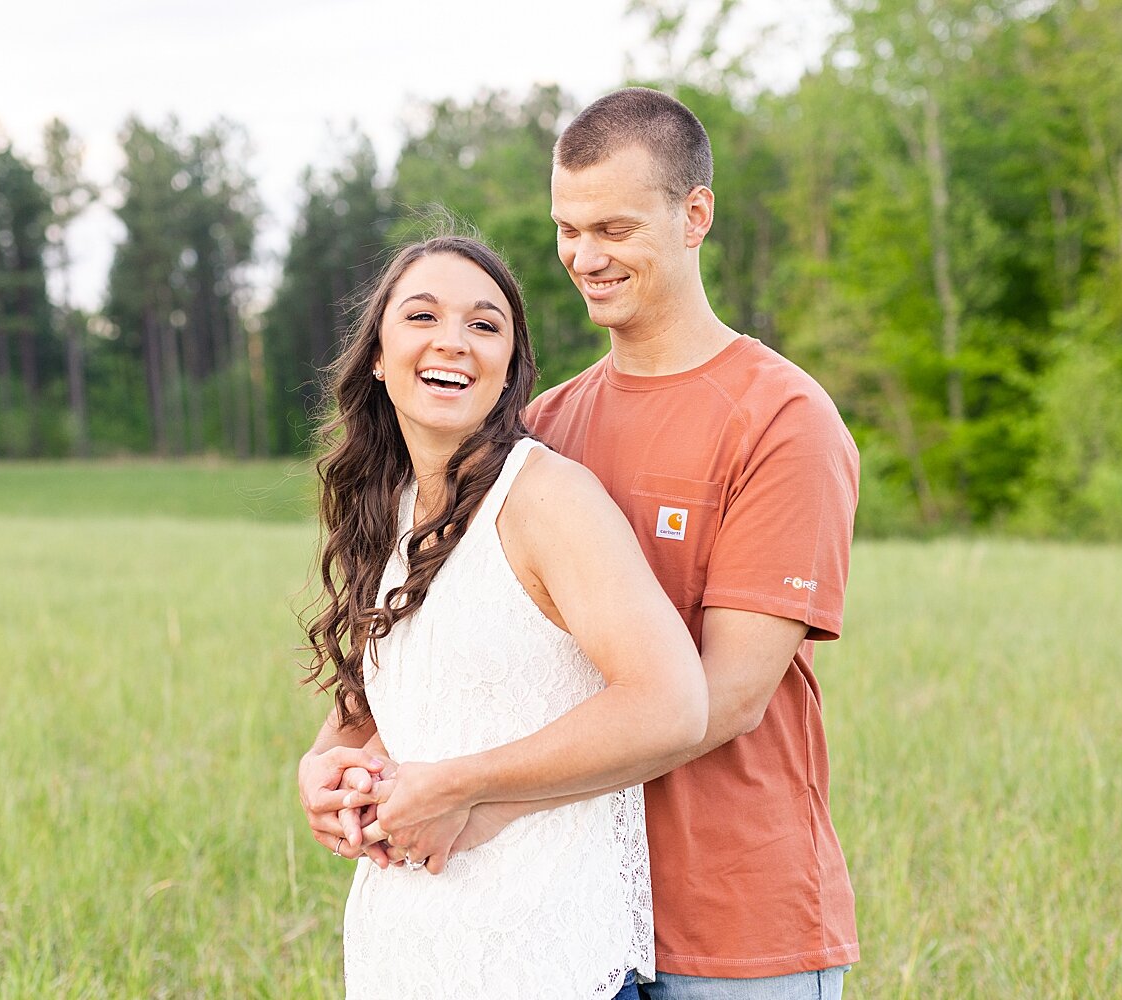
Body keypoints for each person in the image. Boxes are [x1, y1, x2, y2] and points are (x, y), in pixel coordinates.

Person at [316, 88, 862, 998]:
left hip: (729, 925)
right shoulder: (544, 426)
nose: (585, 257)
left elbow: (719, 700)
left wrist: (479, 799)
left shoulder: (783, 419)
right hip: (569, 916)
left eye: (612, 227)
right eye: (568, 229)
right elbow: (442, 642)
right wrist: (337, 754)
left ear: (696, 216)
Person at [295, 234, 708, 999]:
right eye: (421, 316)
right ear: (379, 354)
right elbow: (388, 697)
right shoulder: (389, 509)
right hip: (409, 951)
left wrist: (463, 786)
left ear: (511, 371)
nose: (452, 340)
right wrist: (323, 771)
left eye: (485, 325)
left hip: (543, 958)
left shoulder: (548, 499)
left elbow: (674, 703)